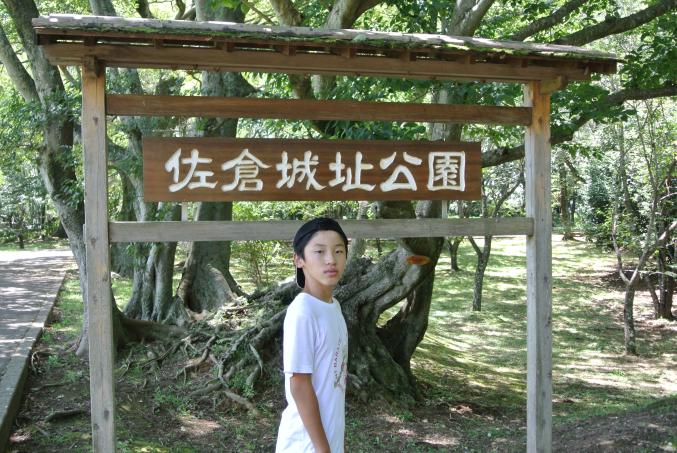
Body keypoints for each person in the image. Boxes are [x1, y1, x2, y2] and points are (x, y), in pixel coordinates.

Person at [275, 217, 349, 453]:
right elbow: (299, 384)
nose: (331, 259)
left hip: (327, 441)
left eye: (338, 251)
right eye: (319, 251)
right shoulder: (303, 311)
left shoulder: (333, 306)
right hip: (304, 445)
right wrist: (323, 449)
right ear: (299, 259)